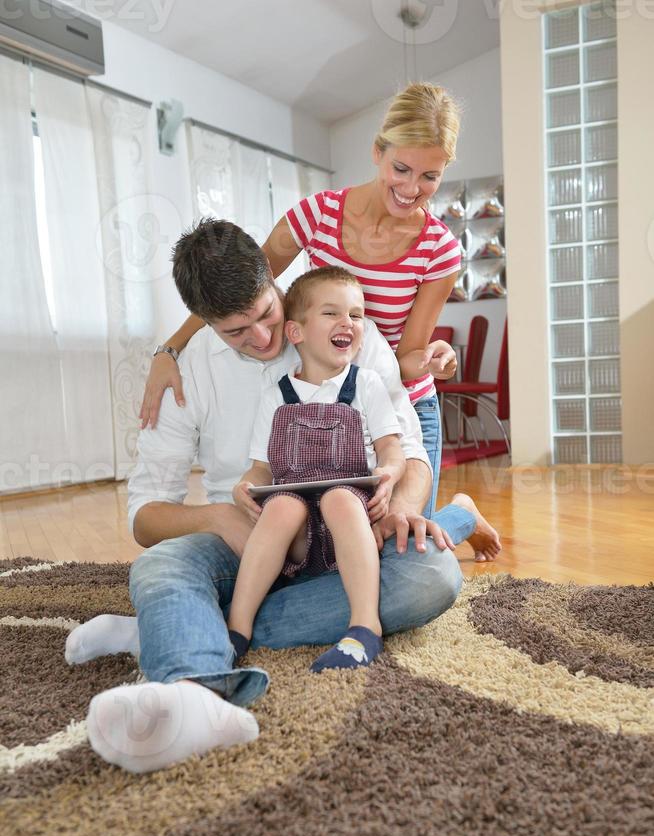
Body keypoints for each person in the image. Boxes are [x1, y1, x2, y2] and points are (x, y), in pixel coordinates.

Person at [68, 220, 496, 776]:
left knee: (432, 577)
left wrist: (401, 509)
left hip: (352, 534)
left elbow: (409, 452)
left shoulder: (342, 331)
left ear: (275, 281)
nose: (262, 338)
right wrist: (223, 516)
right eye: (236, 331)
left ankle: (172, 628)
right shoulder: (185, 368)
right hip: (256, 540)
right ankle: (196, 691)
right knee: (161, 565)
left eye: (266, 315)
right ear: (205, 324)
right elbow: (145, 515)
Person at [138, 82, 496, 537]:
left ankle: (460, 511)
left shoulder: (439, 250)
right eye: (401, 168)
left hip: (399, 394)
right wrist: (170, 349)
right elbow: (239, 292)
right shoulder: (318, 214)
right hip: (331, 390)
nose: (411, 189)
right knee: (347, 538)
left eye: (430, 177)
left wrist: (432, 360)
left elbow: (407, 356)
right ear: (377, 151)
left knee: (404, 530)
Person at [228, 266, 406, 674]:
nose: (348, 323)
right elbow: (260, 469)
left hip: (349, 520)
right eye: (332, 313)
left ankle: (364, 625)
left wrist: (389, 476)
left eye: (356, 315)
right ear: (296, 332)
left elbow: (391, 451)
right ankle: (236, 628)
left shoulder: (366, 385)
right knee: (283, 507)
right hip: (298, 537)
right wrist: (245, 485)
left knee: (340, 497)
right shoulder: (276, 395)